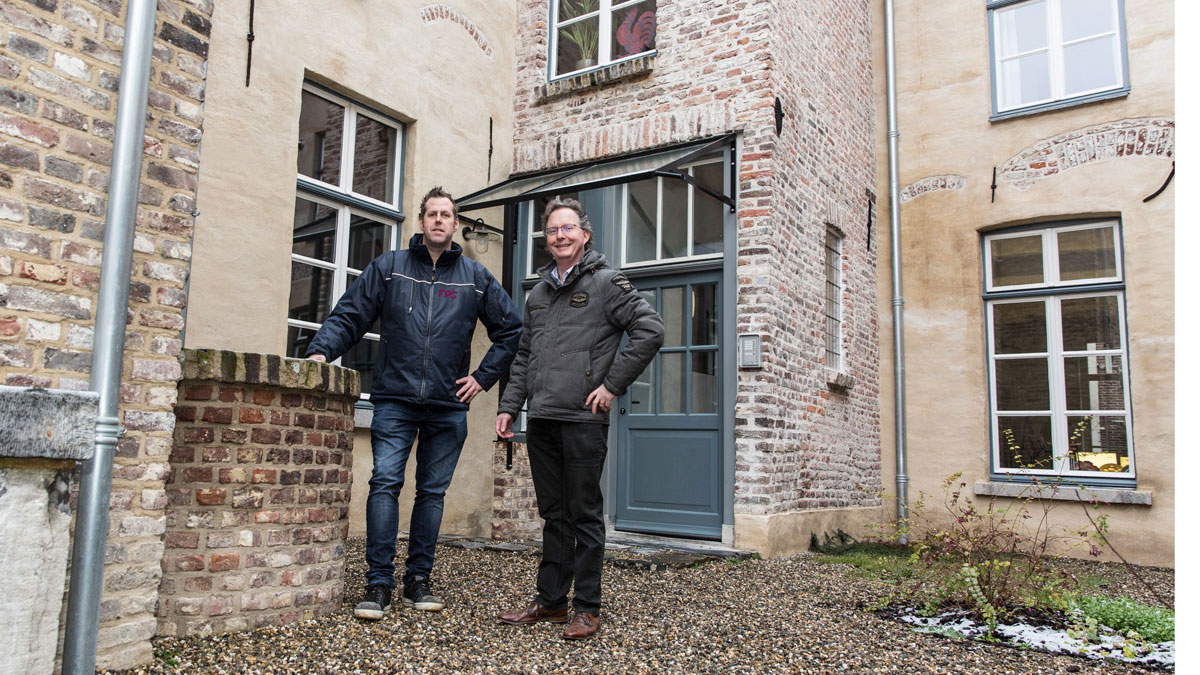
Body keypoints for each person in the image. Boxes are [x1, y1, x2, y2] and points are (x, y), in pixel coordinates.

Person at [306, 186, 521, 620]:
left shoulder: (475, 278)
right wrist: (320, 351)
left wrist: (481, 378)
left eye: (447, 214)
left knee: (432, 493)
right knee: (384, 482)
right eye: (432, 214)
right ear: (421, 222)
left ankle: (417, 580)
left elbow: (511, 330)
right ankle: (378, 584)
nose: (440, 220)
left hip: (447, 405)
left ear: (456, 224)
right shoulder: (389, 269)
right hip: (394, 401)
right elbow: (351, 314)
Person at [495, 196, 664, 640]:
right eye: (552, 231)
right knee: (554, 515)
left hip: (584, 420)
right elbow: (524, 356)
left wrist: (610, 387)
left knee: (584, 515)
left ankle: (586, 607)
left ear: (585, 235)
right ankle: (551, 601)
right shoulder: (539, 292)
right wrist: (509, 406)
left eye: (567, 228)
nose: (560, 236)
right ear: (547, 240)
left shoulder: (608, 283)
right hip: (544, 418)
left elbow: (651, 330)